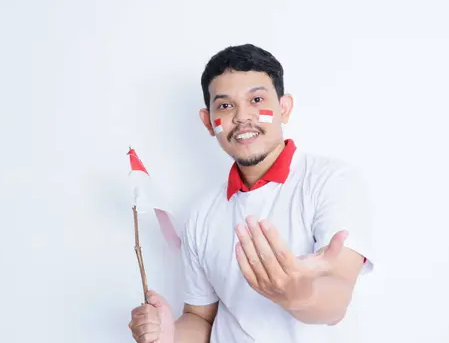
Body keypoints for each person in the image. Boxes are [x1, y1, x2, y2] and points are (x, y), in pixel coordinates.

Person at [128, 44, 375, 342]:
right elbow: (200, 318)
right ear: (208, 122)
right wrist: (169, 335)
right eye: (225, 106)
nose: (243, 117)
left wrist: (297, 294)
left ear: (284, 108)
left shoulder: (331, 181)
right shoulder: (202, 213)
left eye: (256, 99)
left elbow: (336, 302)